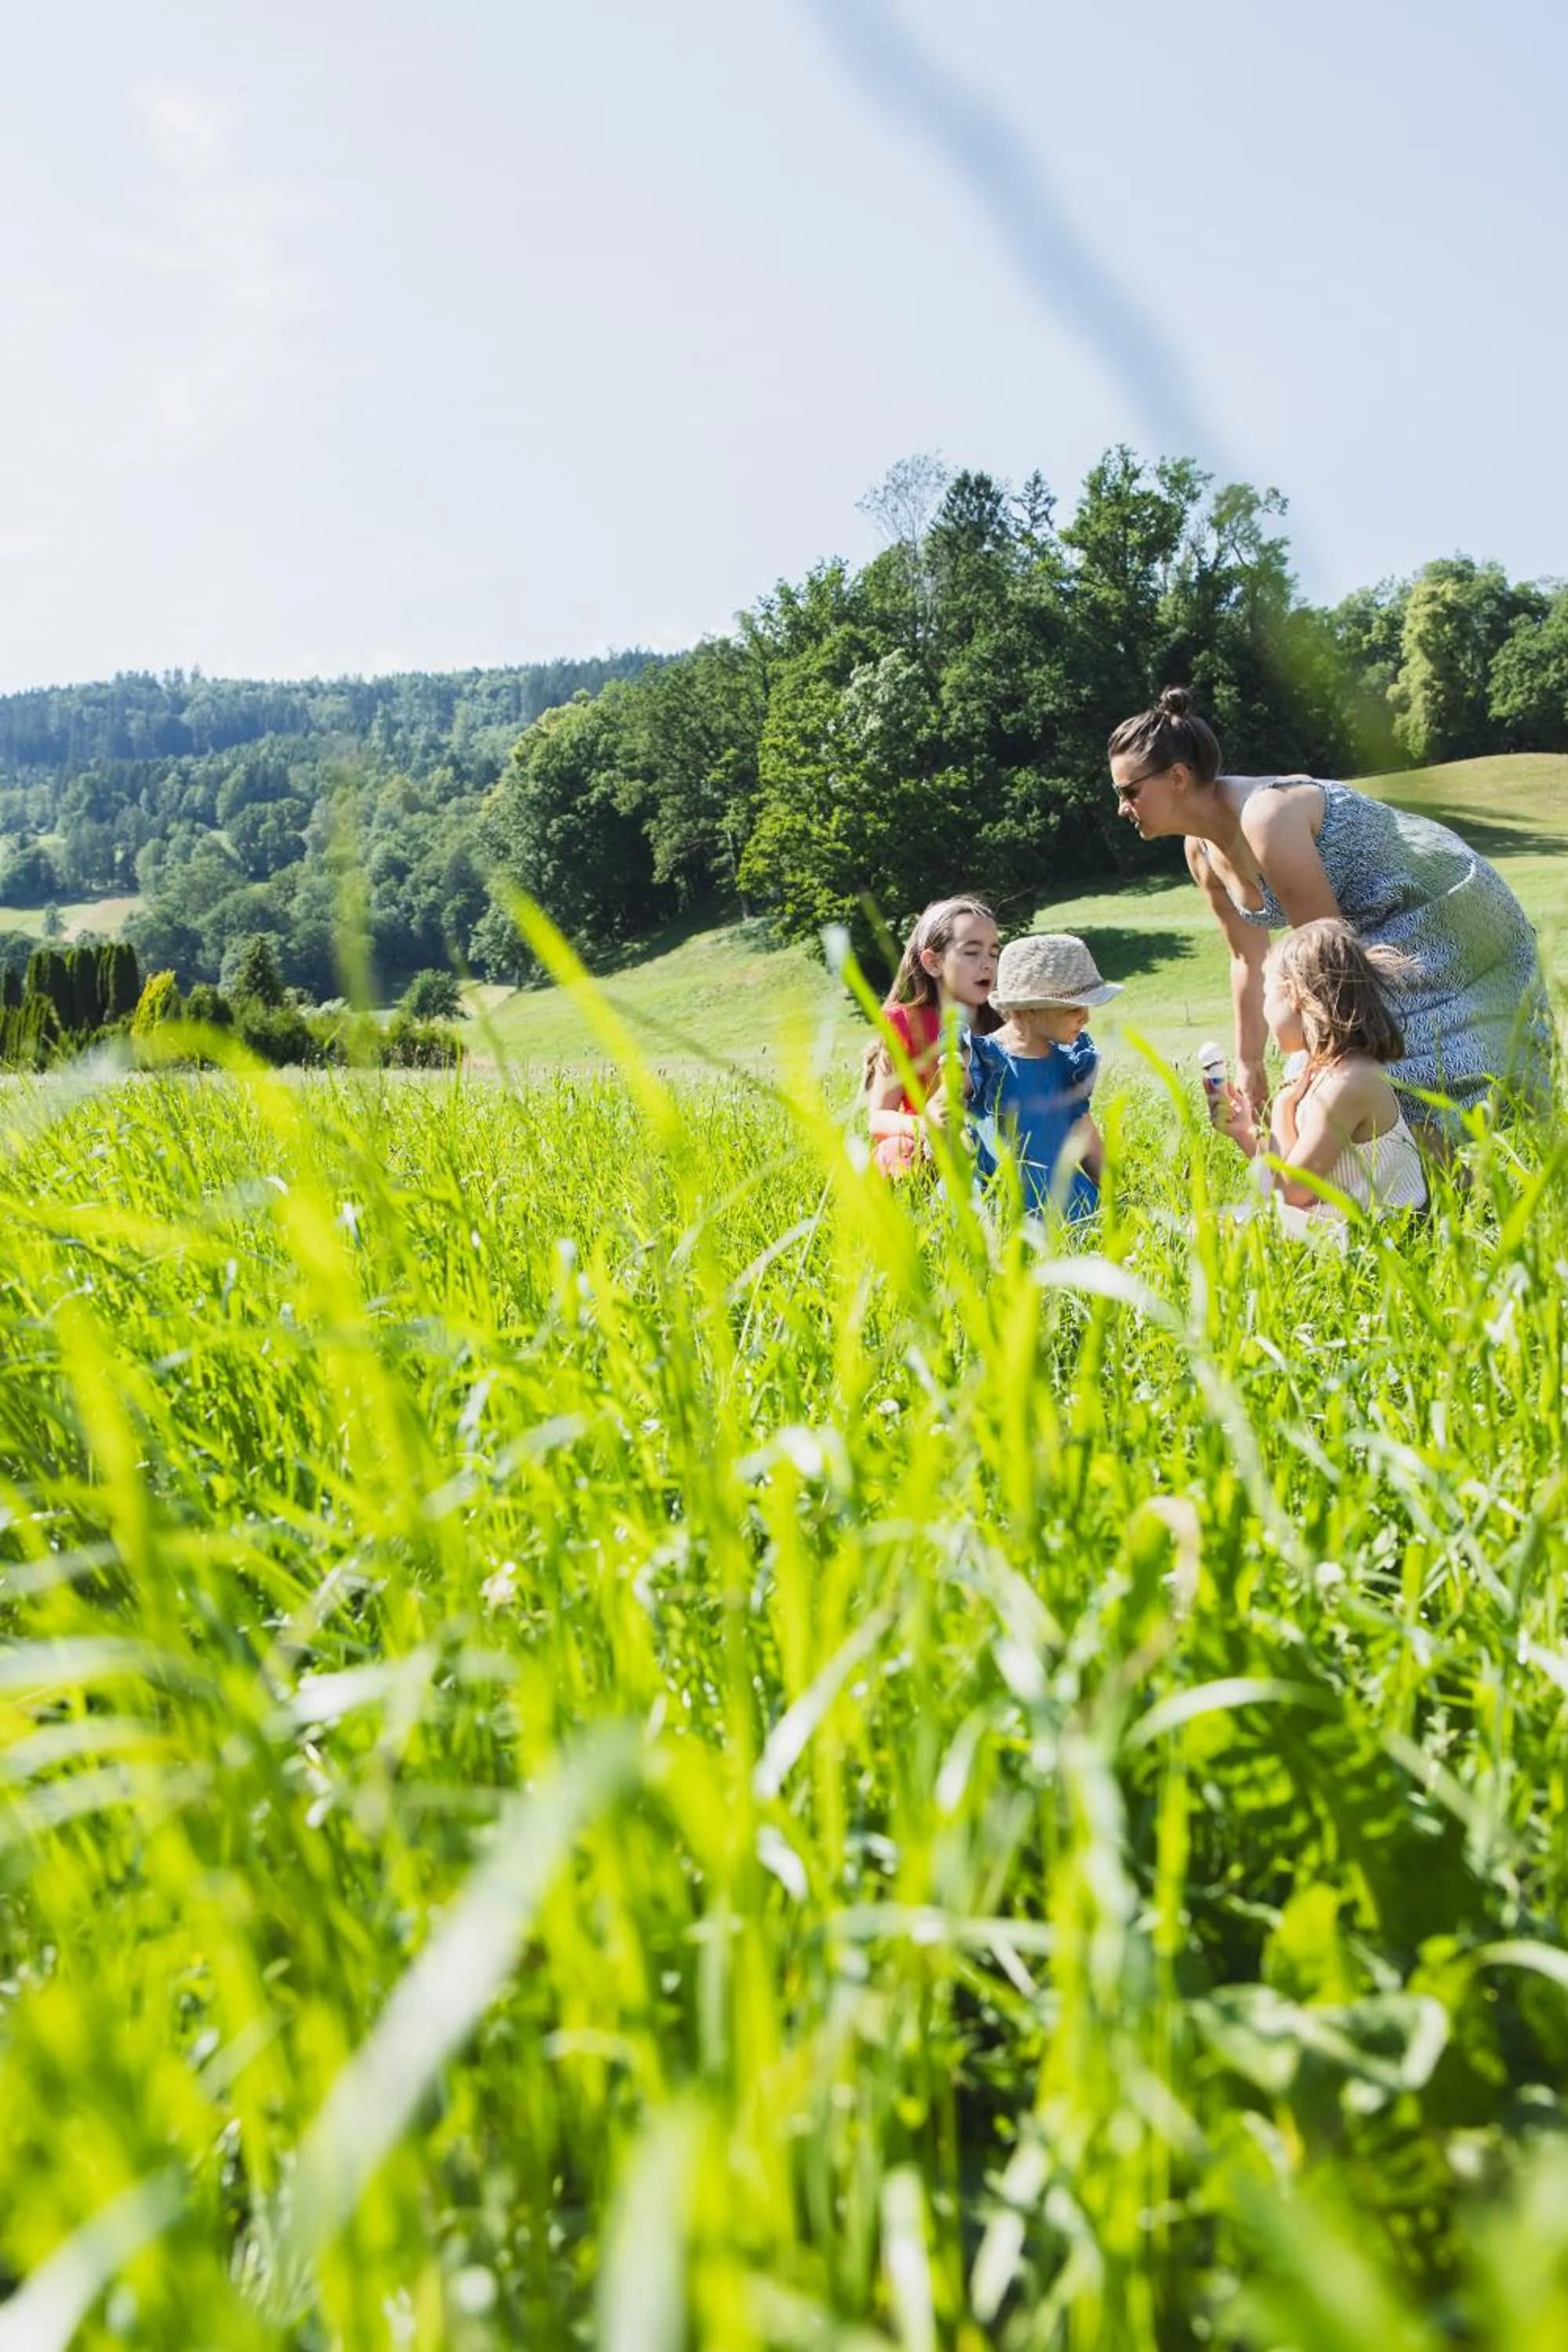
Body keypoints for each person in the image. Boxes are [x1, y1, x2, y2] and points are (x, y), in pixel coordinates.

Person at [1107, 686, 1552, 1131]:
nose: (1122, 808)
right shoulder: (1200, 854)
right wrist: (1250, 1063)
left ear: (1178, 777)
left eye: (1130, 791)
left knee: (1370, 1068)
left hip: (1445, 907)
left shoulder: (1267, 818)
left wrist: (1309, 1068)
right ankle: (1422, 1180)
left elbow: (1329, 963)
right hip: (1367, 930)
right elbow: (1247, 957)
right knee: (1339, 1077)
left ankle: (1457, 1172)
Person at [1215, 919, 1428, 1235]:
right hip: (1336, 1224)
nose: (1265, 1012)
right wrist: (1244, 1131)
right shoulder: (1319, 1068)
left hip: (1372, 1236)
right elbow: (1290, 1170)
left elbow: (1294, 1191)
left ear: (1292, 997)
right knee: (1212, 1223)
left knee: (1206, 1230)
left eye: (1266, 996)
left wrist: (1284, 1108)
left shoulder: (1350, 1082)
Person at [964, 933, 1120, 1220]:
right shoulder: (982, 1059)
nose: (1085, 1018)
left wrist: (1117, 1198)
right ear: (1030, 1008)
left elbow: (1085, 1137)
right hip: (997, 1200)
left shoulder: (1067, 1065)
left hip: (1062, 1199)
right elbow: (940, 1112)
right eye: (1074, 1008)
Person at [865, 896, 1000, 1174]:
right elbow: (877, 1119)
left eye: (994, 953)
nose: (988, 964)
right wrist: (924, 1125)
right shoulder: (904, 1025)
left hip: (994, 1147)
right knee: (892, 1151)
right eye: (972, 953)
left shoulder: (1003, 1022)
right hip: (927, 1148)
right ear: (933, 963)